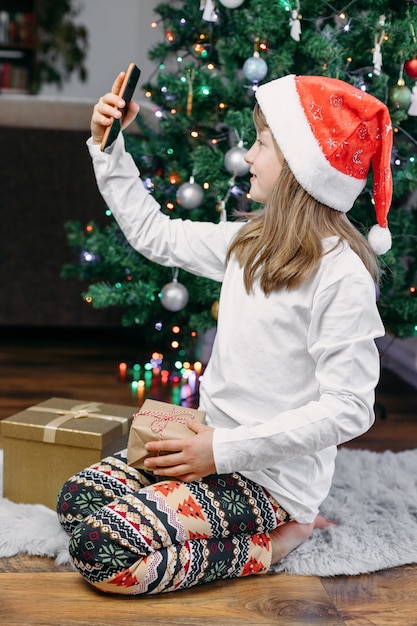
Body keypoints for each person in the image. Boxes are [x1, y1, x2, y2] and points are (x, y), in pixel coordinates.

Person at [57, 72, 393, 595]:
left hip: (267, 476)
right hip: (205, 441)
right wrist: (110, 148)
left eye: (261, 144)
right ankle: (195, 514)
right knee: (76, 499)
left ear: (301, 170)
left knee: (102, 550)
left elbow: (350, 407)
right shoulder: (249, 241)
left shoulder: (341, 275)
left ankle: (282, 539)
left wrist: (224, 451)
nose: (248, 157)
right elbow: (155, 235)